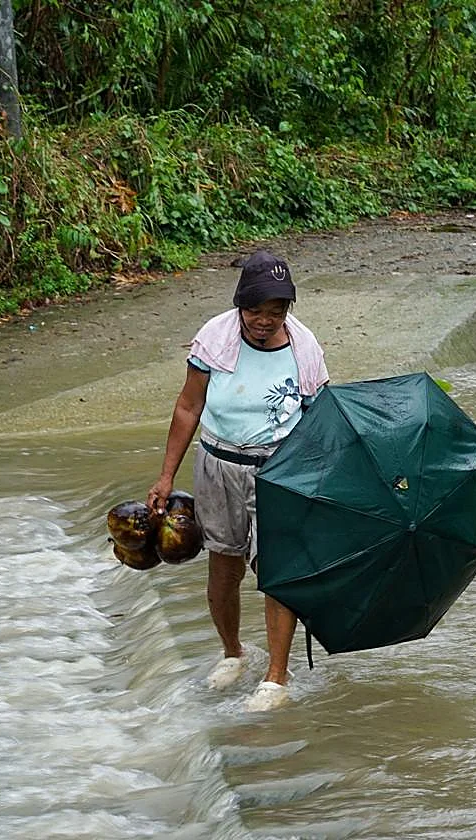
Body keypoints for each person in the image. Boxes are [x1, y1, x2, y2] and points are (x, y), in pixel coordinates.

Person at [147, 250, 329, 712]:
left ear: (288, 311)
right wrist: (165, 477)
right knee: (223, 569)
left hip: (279, 469)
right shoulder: (214, 338)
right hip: (218, 463)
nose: (264, 321)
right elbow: (188, 408)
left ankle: (275, 678)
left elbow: (320, 422)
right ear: (239, 305)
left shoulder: (305, 349)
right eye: (255, 311)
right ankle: (233, 653)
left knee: (276, 574)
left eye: (276, 312)